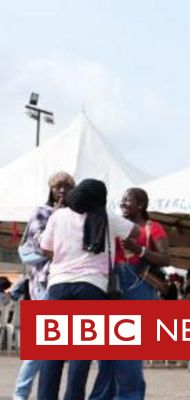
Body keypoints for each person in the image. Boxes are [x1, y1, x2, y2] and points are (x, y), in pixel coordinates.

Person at [37, 179, 139, 400]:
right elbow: (136, 233)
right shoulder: (107, 217)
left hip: (58, 286)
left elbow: (45, 248)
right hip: (92, 288)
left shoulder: (58, 216)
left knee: (52, 351)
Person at [90, 187, 170, 400]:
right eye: (122, 199)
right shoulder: (116, 224)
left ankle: (129, 396)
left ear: (141, 205)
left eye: (127, 200)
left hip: (139, 286)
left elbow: (165, 259)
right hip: (112, 285)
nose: (122, 203)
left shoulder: (153, 228)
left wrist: (139, 250)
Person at [13, 171, 75, 400]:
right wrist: (56, 218)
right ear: (51, 188)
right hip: (44, 283)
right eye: (58, 186)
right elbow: (40, 244)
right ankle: (21, 393)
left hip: (67, 282)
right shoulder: (43, 211)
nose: (62, 191)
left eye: (67, 187)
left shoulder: (75, 215)